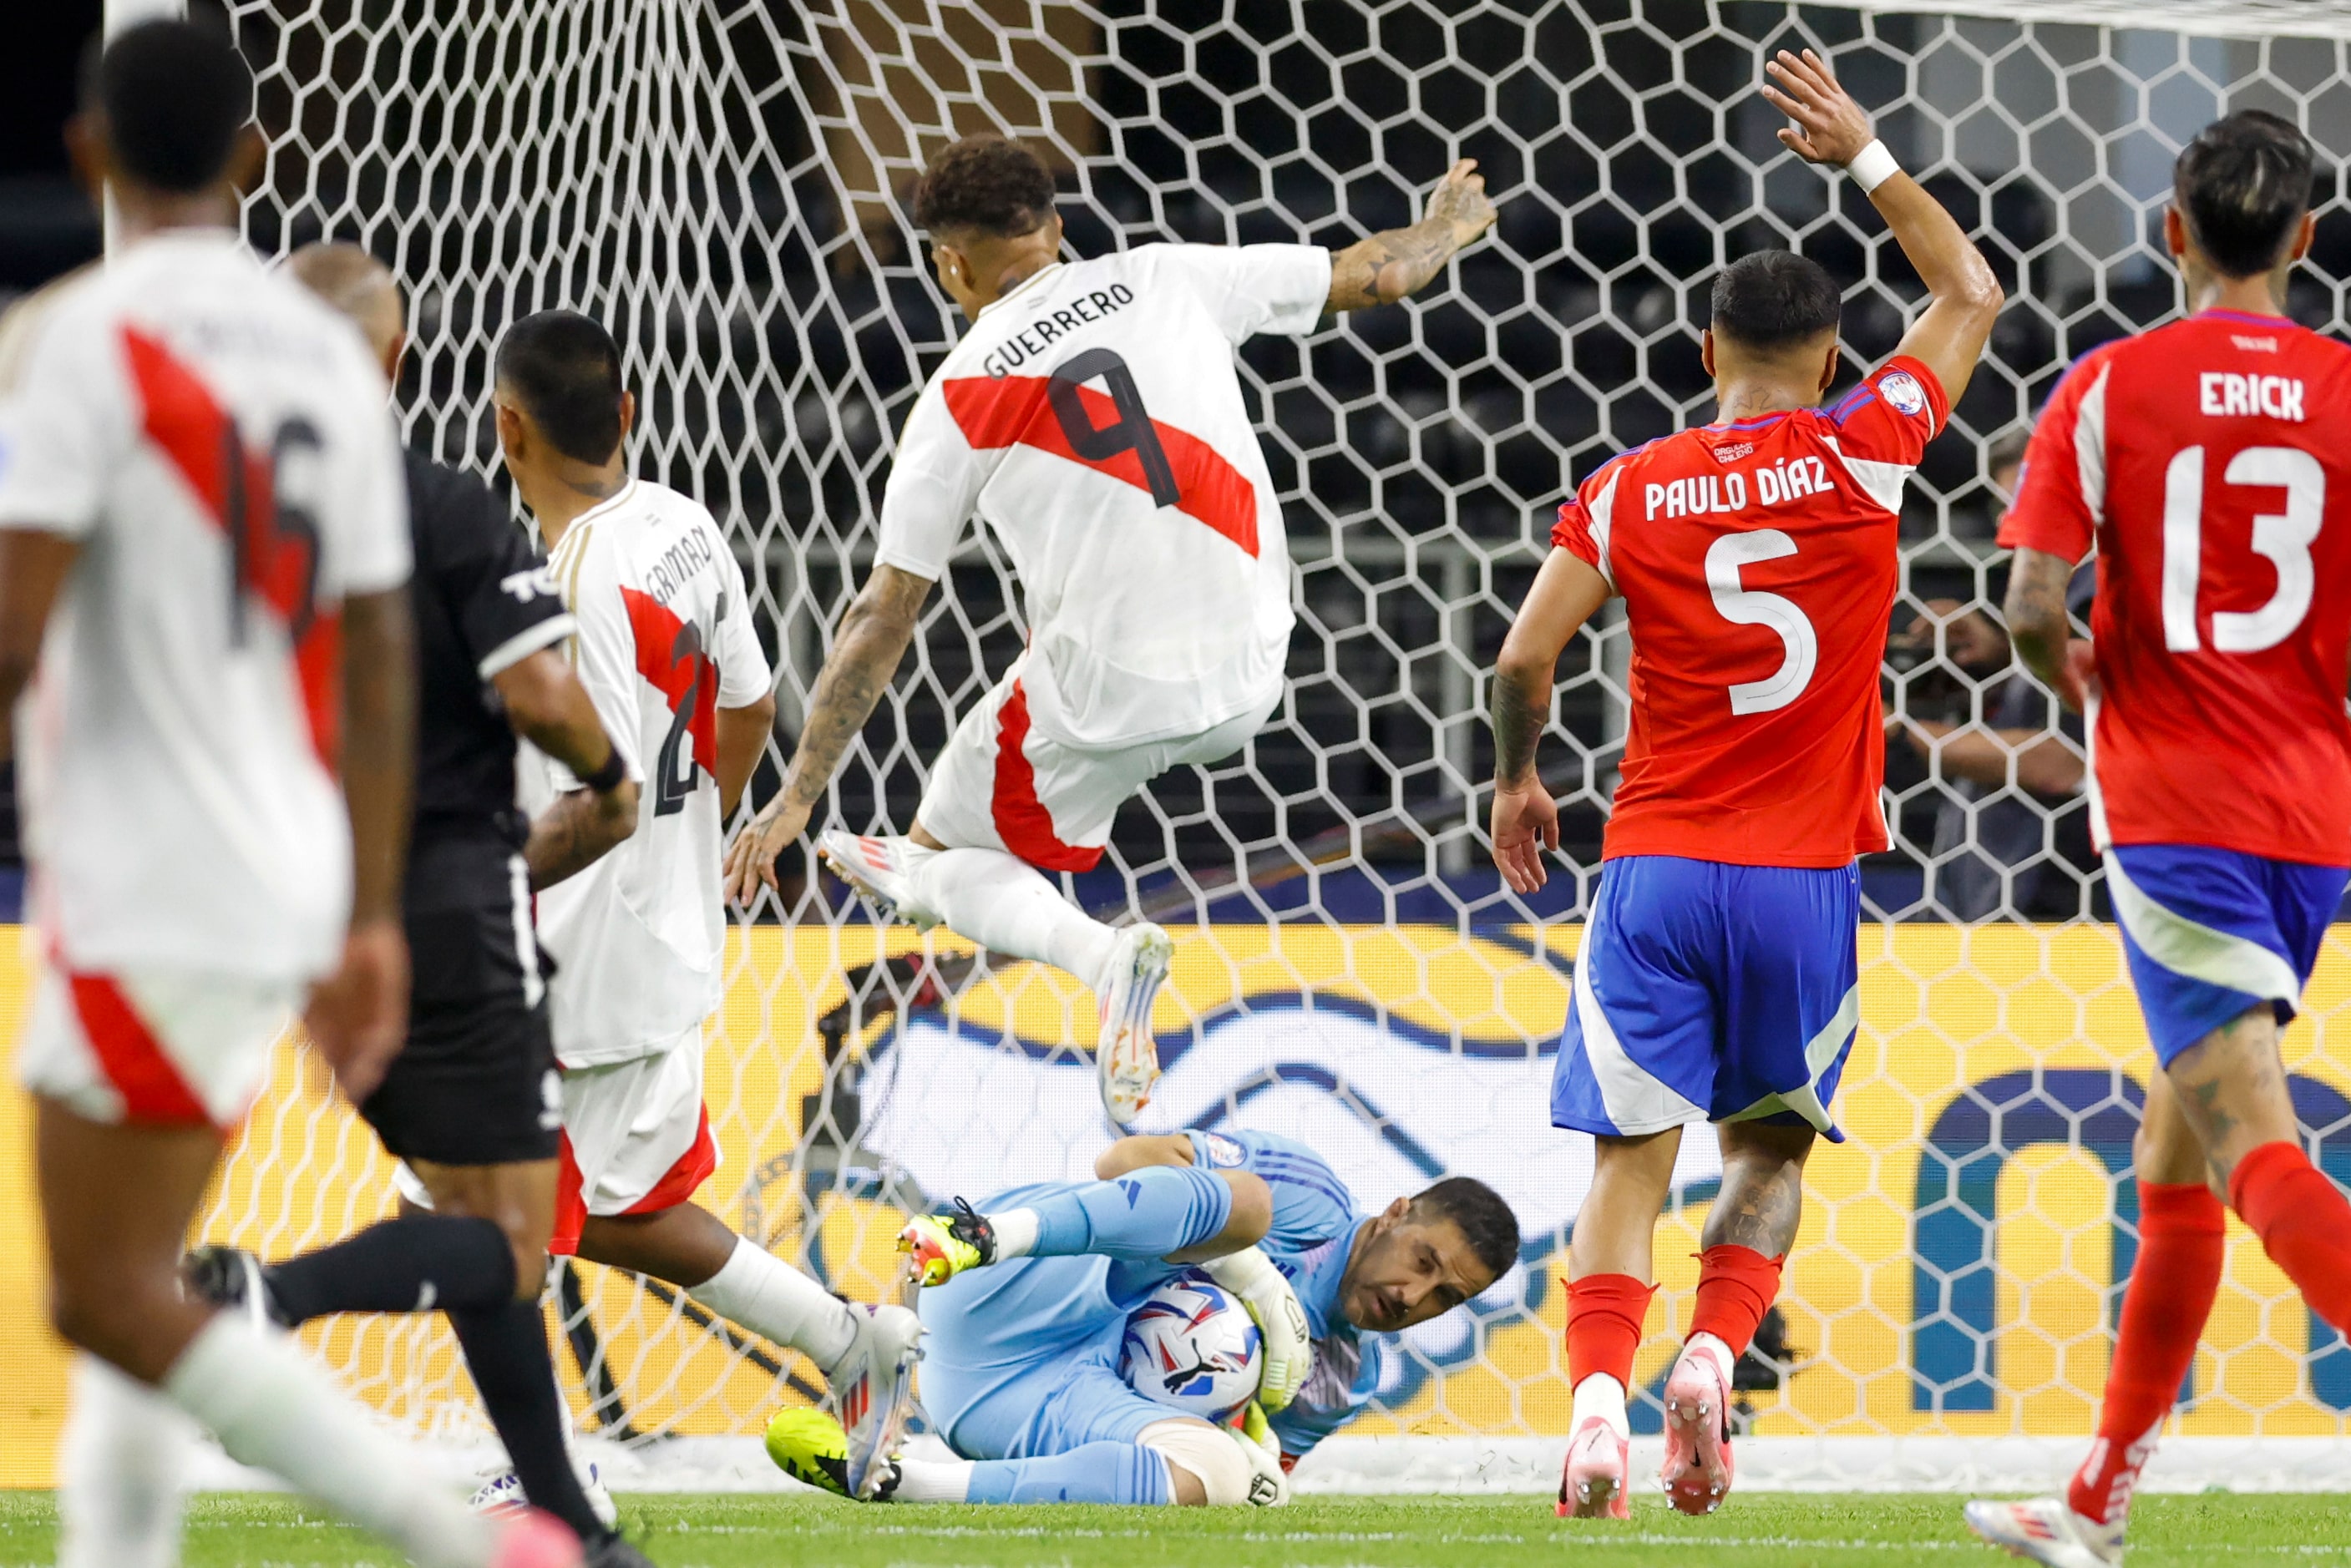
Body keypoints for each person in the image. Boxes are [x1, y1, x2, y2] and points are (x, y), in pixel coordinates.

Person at [0, 21, 579, 1568]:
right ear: (254, 161)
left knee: (104, 1291)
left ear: (86, 155)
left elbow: (13, 625)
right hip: (289, 859)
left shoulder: (75, 334)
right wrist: (364, 905)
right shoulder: (323, 359)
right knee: (132, 1273)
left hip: (144, 867)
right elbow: (383, 655)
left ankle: (481, 1542)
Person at [722, 134, 1500, 1128]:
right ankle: (907, 883)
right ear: (1054, 228)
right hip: (1257, 668)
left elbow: (882, 615)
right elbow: (1380, 274)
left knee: (930, 864)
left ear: (949, 264)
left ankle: (1088, 952)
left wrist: (793, 797)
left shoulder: (956, 396)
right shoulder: (1170, 275)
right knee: (940, 855)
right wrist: (1446, 224)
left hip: (1108, 694)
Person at [1487, 50, 2000, 1520]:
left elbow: (1525, 658)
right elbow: (1969, 294)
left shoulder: (1632, 484)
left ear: (1705, 349)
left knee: (1625, 1164)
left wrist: (1522, 779)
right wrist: (1862, 153)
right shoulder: (1867, 452)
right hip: (1802, 880)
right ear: (1835, 358)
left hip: (1654, 872)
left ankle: (1595, 1405)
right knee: (1767, 1148)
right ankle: (1712, 1355)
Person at [181, 245, 652, 1565]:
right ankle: (267, 1294)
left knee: (470, 1211)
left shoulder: (218, 514)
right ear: (394, 360)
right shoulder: (438, 501)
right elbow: (545, 697)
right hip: (440, 898)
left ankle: (562, 1512)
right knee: (509, 1233)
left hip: (276, 908)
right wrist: (610, 780)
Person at [1964, 111, 2351, 1568]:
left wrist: (2066, 660)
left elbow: (2028, 595)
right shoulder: (2347, 389)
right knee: (2174, 1156)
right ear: (2306, 240)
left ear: (2169, 232)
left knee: (2257, 1146)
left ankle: (2098, 1499)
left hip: (2178, 809)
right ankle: (2097, 1497)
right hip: (2313, 813)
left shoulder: (2112, 384)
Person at [473, 309, 923, 1493]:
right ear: (626, 413)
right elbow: (748, 702)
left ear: (504, 428)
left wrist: (454, 905)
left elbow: (595, 803)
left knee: (493, 1206)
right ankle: (849, 1337)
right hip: (666, 928)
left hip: (576, 953)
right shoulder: (681, 521)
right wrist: (703, 831)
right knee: (621, 1208)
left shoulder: (564, 582)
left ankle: (544, 1472)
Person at [762, 1130, 1519, 1508]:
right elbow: (1121, 1164)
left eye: (1444, 1298)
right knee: (1243, 1206)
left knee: (1217, 1477)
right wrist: (1249, 1274)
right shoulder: (1306, 1194)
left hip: (1012, 1403)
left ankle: (899, 1480)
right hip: (1015, 1285)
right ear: (1394, 1216)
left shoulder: (1343, 1381)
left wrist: (1253, 1465)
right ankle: (980, 1231)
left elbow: (1256, 1479)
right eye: (1423, 1262)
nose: (1414, 1298)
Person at [1889, 427, 2097, 921]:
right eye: (2003, 505)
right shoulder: (2059, 601)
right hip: (1995, 898)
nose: (2008, 520)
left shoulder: (2102, 596)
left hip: (2049, 910)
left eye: (2023, 500)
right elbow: (2063, 698)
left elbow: (2064, 762)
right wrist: (2001, 660)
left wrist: (1902, 729)